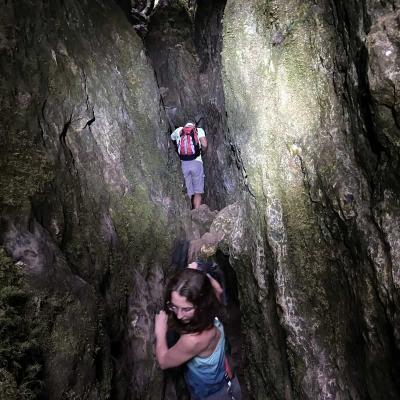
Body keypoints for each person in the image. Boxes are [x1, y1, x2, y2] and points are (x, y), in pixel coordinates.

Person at [154, 268, 241, 400]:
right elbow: (216, 288)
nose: (178, 315)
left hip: (211, 395)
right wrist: (200, 272)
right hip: (228, 382)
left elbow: (163, 361)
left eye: (186, 309)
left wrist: (160, 332)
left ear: (202, 304)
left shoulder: (192, 340)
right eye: (174, 306)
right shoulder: (214, 306)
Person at [171, 122, 208, 209]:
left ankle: (187, 213)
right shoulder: (198, 130)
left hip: (183, 164)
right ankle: (197, 212)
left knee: (188, 191)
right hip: (197, 163)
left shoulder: (179, 130)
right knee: (197, 192)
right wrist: (203, 152)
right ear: (194, 125)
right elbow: (204, 144)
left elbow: (171, 138)